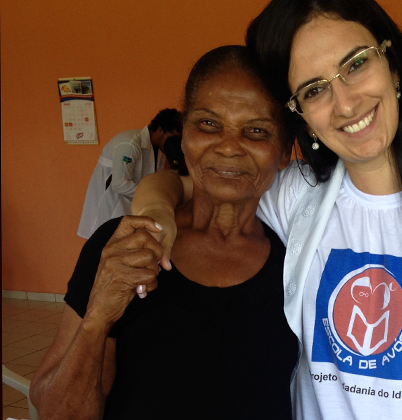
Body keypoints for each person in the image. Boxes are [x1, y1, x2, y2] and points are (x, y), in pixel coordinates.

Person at [133, 1, 402, 418]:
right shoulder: (294, 194)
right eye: (314, 90)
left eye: (355, 65)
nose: (347, 104)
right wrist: (155, 211)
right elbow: (187, 183)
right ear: (303, 118)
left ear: (393, 67)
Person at [30, 46, 299, 419]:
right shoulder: (123, 246)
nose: (228, 147)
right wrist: (98, 316)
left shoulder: (298, 261)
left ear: (284, 151)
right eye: (208, 124)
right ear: (184, 134)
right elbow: (59, 413)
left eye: (256, 131)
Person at [77, 108, 182, 239]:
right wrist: (151, 193)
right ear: (160, 130)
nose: (173, 143)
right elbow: (119, 184)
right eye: (172, 137)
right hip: (112, 205)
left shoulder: (160, 149)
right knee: (105, 244)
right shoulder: (129, 144)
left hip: (132, 208)